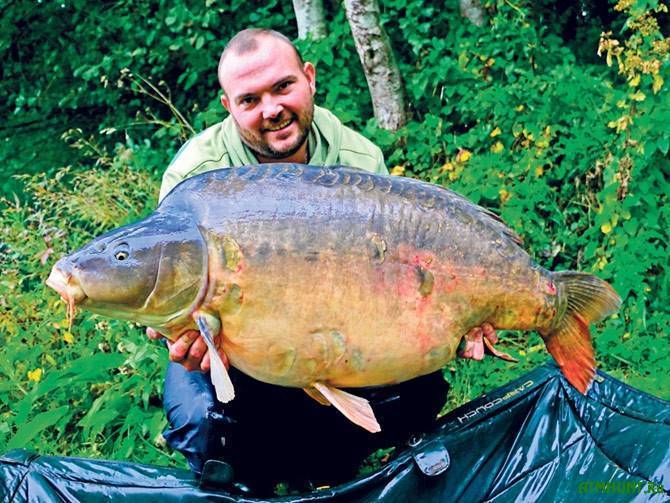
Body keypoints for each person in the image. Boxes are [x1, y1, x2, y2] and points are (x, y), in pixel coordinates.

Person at [149, 28, 497, 493]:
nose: (271, 110)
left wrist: (460, 312)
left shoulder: (359, 161)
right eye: (249, 100)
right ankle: (250, 479)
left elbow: (394, 278)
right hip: (240, 339)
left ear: (309, 78)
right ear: (228, 107)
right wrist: (173, 327)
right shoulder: (195, 178)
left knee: (416, 390)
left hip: (333, 325)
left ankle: (331, 469)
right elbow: (160, 283)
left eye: (282, 87)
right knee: (203, 423)